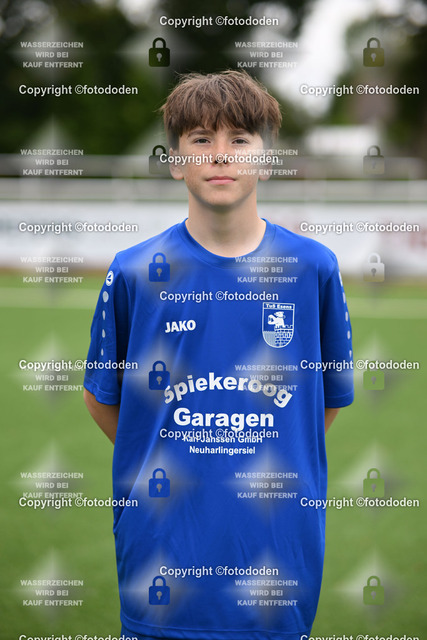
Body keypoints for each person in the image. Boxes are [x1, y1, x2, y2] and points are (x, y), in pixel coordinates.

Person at [83, 70, 354, 640]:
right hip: (162, 555)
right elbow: (103, 399)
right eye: (201, 139)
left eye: (240, 139)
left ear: (266, 158)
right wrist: (182, 461)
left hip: (278, 558)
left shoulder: (313, 268)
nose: (220, 155)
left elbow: (320, 407)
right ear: (175, 161)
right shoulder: (134, 271)